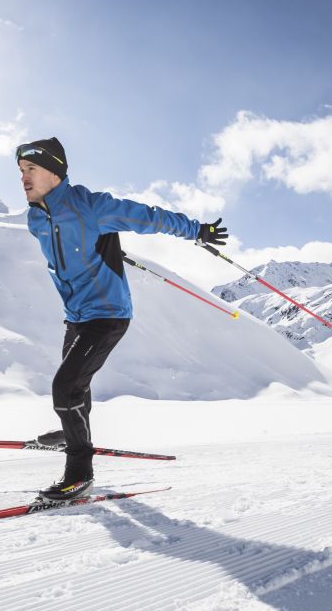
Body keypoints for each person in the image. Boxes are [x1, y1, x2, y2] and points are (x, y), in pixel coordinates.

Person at [17, 137, 227, 501]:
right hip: (76, 316)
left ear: (54, 171)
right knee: (76, 387)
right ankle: (73, 433)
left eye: (31, 169)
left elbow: (148, 216)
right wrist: (103, 245)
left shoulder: (92, 206)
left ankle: (79, 472)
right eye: (20, 171)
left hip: (108, 314)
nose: (23, 178)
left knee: (65, 387)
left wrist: (197, 230)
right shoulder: (36, 217)